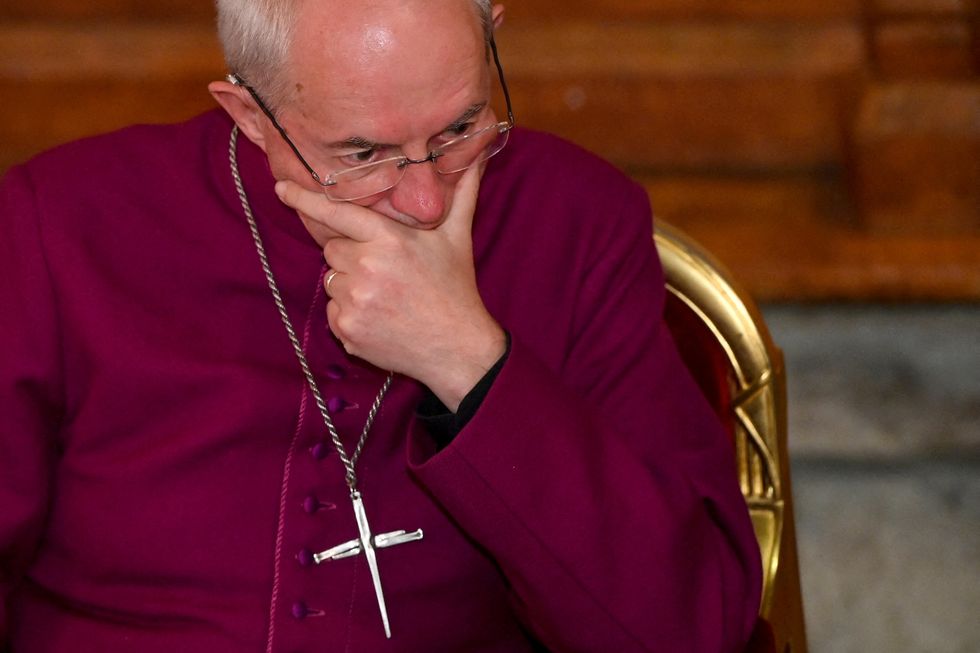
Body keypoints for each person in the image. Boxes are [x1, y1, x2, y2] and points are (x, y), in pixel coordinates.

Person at [0, 0, 762, 651]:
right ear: (248, 114)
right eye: (363, 154)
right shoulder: (59, 228)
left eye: (460, 127)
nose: (425, 200)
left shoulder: (579, 221)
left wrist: (471, 362)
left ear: (493, 33)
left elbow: (692, 626)